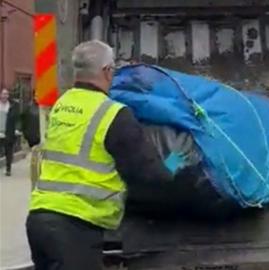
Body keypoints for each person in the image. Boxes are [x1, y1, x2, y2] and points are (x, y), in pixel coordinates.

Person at [26, 40, 186, 270]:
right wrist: (173, 166)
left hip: (39, 221)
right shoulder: (113, 115)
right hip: (74, 228)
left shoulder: (63, 104)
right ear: (107, 72)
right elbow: (150, 174)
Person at [0, 88, 20, 176]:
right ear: (0, 95)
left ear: (8, 96)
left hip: (8, 133)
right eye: (3, 94)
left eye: (6, 94)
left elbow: (16, 119)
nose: (5, 96)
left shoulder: (11, 106)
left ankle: (8, 169)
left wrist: (16, 129)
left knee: (9, 152)